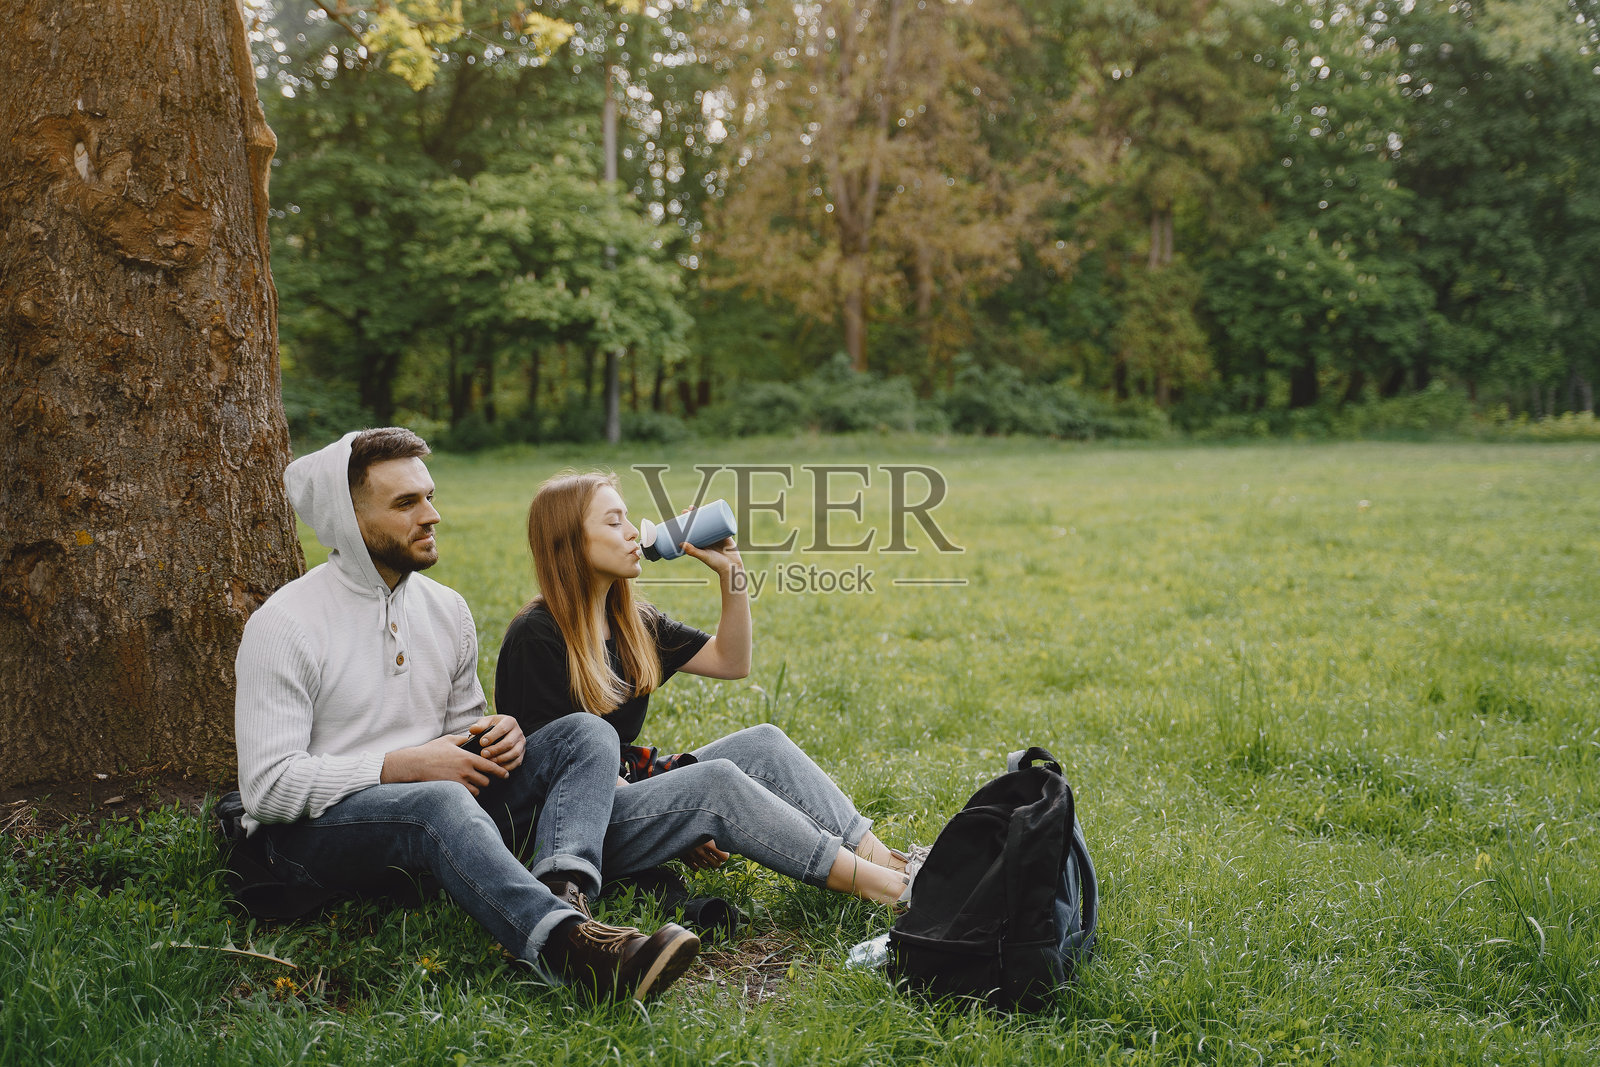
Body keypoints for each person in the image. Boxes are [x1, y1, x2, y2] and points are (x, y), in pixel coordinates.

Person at [233, 429, 700, 1001]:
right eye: (405, 503)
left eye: (429, 496)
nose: (432, 515)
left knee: (585, 732)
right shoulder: (286, 624)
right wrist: (401, 766)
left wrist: (496, 734)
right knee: (436, 801)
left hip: (435, 810)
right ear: (348, 520)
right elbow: (267, 789)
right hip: (315, 836)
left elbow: (462, 732)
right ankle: (570, 950)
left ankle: (566, 893)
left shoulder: (447, 609)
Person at [495, 471, 922, 907]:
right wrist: (681, 811)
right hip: (565, 827)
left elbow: (731, 661)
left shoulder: (632, 623)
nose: (632, 532)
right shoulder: (536, 635)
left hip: (623, 794)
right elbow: (563, 773)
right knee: (714, 783)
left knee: (764, 745)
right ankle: (894, 891)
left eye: (627, 518)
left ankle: (894, 863)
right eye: (613, 522)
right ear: (568, 543)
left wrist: (731, 572)